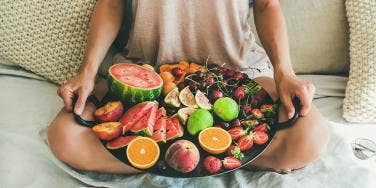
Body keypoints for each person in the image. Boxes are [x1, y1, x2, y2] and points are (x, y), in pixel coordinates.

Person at [48, 0, 328, 174]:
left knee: (310, 136)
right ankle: (212, 162)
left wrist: (284, 72)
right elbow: (111, 3)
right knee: (65, 136)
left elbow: (267, 5)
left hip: (238, 71)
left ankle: (154, 160)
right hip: (147, 72)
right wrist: (86, 72)